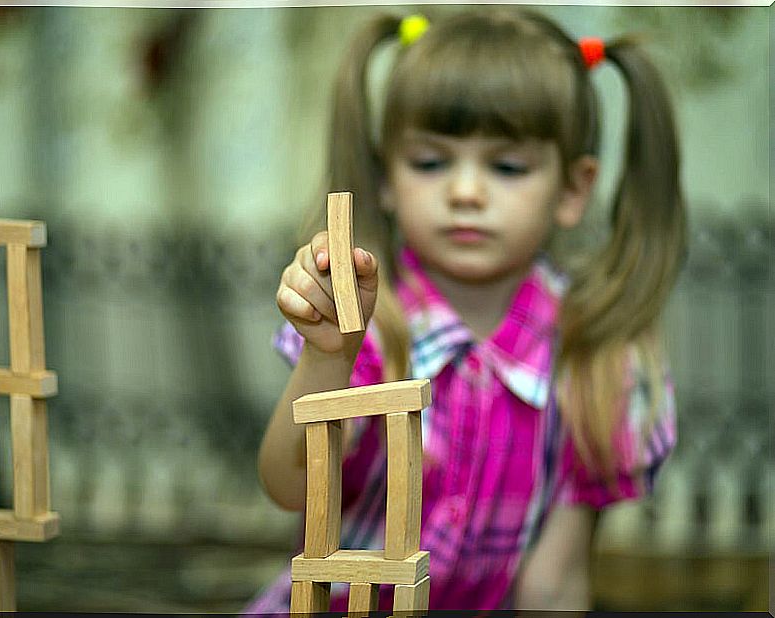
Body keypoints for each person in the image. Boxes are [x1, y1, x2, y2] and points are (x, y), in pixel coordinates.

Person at [249, 6, 685, 613]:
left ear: (573, 190)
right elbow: (289, 487)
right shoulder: (365, 322)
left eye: (507, 166)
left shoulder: (598, 361)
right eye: (430, 162)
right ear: (384, 177)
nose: (465, 193)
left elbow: (553, 584)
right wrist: (329, 356)